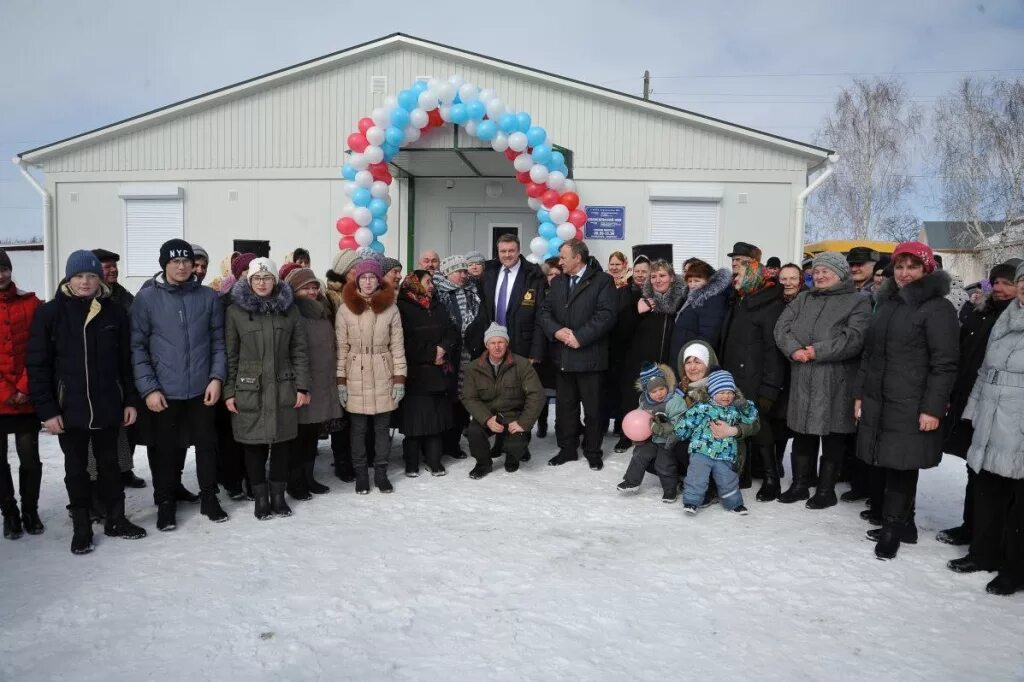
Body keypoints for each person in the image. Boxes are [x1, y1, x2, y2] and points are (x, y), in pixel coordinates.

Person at [27, 250, 146, 554]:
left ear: (99, 278)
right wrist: (48, 410)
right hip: (70, 409)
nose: (85, 281)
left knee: (111, 466)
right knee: (76, 469)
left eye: (91, 275)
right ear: (69, 278)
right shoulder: (50, 313)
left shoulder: (114, 312)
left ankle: (116, 519)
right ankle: (82, 526)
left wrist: (130, 400)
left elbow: (126, 362)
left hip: (108, 404)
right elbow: (38, 365)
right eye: (79, 276)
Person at [854, 241, 958, 560]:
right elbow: (870, 354)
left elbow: (945, 363)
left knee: (901, 466)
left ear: (927, 269)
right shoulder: (887, 304)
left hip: (912, 401)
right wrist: (859, 394)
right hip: (881, 398)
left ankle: (892, 530)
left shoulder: (938, 308)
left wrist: (932, 407)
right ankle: (906, 524)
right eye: (900, 266)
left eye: (912, 266)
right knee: (888, 462)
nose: (905, 273)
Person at [131, 240, 228, 530]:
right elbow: (137, 348)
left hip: (201, 388)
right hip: (164, 390)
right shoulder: (147, 299)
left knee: (207, 445)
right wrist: (149, 388)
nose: (182, 266)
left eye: (186, 261)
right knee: (165, 449)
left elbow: (219, 343)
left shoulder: (208, 297)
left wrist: (216, 378)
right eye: (175, 261)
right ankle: (165, 502)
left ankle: (210, 497)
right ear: (164, 264)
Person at [948, 261, 1024, 596]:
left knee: (1019, 503)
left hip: (1018, 423)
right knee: (987, 490)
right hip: (992, 418)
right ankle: (983, 553)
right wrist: (973, 410)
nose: (1020, 289)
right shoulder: (1005, 319)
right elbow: (985, 370)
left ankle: (1015, 568)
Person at [773, 252, 871, 508]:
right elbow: (781, 328)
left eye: (826, 271)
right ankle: (800, 485)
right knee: (802, 434)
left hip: (835, 381)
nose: (820, 275)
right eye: (816, 271)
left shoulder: (857, 301)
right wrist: (794, 350)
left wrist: (817, 351)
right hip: (803, 377)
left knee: (833, 437)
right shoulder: (804, 298)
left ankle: (826, 490)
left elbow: (854, 339)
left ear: (840, 273)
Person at [937, 262, 1018, 546]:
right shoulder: (979, 313)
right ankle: (971, 526)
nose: (999, 288)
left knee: (1001, 476)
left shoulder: (1014, 321)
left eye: (1007, 283)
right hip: (970, 402)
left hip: (1005, 410)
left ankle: (999, 536)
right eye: (995, 282)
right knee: (974, 468)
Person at [225, 258, 311, 519]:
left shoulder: (290, 311)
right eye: (257, 279)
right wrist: (229, 391)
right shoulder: (235, 312)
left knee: (282, 444)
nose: (262, 283)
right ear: (249, 281)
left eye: (267, 278)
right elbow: (231, 355)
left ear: (276, 281)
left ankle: (278, 496)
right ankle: (260, 498)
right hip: (250, 389)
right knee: (254, 446)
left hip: (284, 387)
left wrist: (302, 386)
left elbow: (299, 351)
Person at [538, 239, 617, 470]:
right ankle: (568, 449)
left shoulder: (602, 281)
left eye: (563, 257)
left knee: (593, 410)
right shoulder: (560, 282)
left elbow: (606, 315)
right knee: (565, 408)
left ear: (577, 258)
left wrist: (580, 337)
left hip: (591, 358)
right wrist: (557, 331)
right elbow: (544, 311)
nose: (559, 261)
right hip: (563, 357)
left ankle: (593, 451)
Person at [336, 259, 406, 494]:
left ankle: (381, 473)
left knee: (381, 428)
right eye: (363, 278)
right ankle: (361, 475)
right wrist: (341, 381)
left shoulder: (391, 308)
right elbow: (341, 348)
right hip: (355, 370)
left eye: (372, 278)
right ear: (357, 280)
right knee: (357, 429)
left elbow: (397, 346)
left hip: (382, 369)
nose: (367, 282)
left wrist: (399, 377)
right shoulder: (345, 308)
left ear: (378, 280)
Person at [718, 259, 786, 490]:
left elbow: (773, 352)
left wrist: (769, 389)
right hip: (735, 377)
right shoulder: (741, 301)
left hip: (756, 380)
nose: (735, 278)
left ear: (753, 277)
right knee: (738, 426)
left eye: (740, 274)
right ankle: (743, 474)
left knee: (761, 429)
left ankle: (771, 478)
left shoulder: (770, 306)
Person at [90, 248, 145, 490]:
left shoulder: (123, 295)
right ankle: (95, 481)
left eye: (114, 265)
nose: (112, 270)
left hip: (125, 368)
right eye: (106, 266)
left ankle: (125, 469)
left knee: (128, 425)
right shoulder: (84, 296)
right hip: (96, 374)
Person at [285, 267, 343, 499]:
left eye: (313, 286)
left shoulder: (323, 310)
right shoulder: (292, 313)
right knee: (297, 437)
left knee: (311, 435)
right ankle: (294, 480)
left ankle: (309, 477)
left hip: (322, 382)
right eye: (305, 288)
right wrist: (300, 384)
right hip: (303, 384)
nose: (311, 291)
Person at [462, 323, 544, 479]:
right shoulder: (473, 368)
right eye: (492, 343)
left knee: (516, 444)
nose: (497, 346)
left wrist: (523, 423)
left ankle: (513, 457)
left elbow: (536, 395)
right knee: (474, 431)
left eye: (501, 342)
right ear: (486, 345)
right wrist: (486, 419)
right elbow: (469, 397)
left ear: (507, 343)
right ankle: (483, 464)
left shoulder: (522, 364)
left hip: (514, 415)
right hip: (489, 414)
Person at [396, 270, 458, 477]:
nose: (432, 286)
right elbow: (404, 342)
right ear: (415, 284)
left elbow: (451, 331)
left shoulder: (437, 305)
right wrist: (432, 353)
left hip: (438, 374)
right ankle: (411, 463)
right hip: (416, 375)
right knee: (414, 424)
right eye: (428, 282)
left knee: (435, 422)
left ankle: (434, 461)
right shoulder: (402, 307)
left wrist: (443, 348)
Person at [619, 259, 686, 451]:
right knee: (634, 399)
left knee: (662, 402)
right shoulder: (639, 299)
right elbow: (620, 331)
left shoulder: (680, 302)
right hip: (638, 362)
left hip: (667, 364)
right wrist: (636, 312)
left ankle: (658, 434)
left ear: (672, 278)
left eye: (662, 275)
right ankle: (627, 435)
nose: (657, 280)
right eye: (654, 276)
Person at [0, 250, 43, 539]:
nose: (0, 274)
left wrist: (25, 387)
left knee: (29, 458)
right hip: (0, 399)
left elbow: (40, 349)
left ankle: (30, 509)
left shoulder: (31, 303)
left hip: (27, 398)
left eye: (4, 268)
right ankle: (10, 512)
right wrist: (7, 391)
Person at [675, 370, 759, 515]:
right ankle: (691, 501)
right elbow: (688, 421)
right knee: (697, 476)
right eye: (721, 392)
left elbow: (751, 419)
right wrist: (679, 432)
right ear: (713, 392)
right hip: (701, 450)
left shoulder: (735, 409)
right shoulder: (702, 407)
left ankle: (734, 503)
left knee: (727, 479)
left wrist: (745, 406)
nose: (726, 396)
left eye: (729, 392)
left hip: (725, 453)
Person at [433, 255, 485, 461]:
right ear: (447, 273)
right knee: (445, 400)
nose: (464, 275)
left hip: (469, 355)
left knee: (463, 398)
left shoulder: (475, 293)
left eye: (465, 271)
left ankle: (453, 443)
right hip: (446, 356)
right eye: (459, 271)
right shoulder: (438, 294)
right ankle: (440, 442)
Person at [616, 362, 687, 502]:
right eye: (653, 392)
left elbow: (679, 424)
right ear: (647, 392)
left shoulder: (674, 401)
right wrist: (637, 433)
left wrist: (660, 427)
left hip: (668, 440)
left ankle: (670, 489)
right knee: (639, 454)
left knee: (664, 463)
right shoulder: (644, 402)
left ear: (666, 386)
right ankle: (632, 481)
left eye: (661, 389)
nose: (659, 393)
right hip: (650, 439)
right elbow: (639, 419)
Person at [480, 234, 547, 364]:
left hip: (523, 347)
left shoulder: (533, 275)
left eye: (511, 251)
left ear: (519, 251)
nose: (507, 255)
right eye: (503, 251)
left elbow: (541, 316)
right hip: (493, 345)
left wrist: (536, 352)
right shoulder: (489, 273)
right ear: (498, 252)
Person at [669, 259, 732, 366]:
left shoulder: (712, 300)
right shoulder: (690, 298)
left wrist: (693, 361)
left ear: (708, 281)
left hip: (693, 361)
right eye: (689, 281)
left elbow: (708, 336)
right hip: (683, 356)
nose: (692, 285)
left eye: (697, 280)